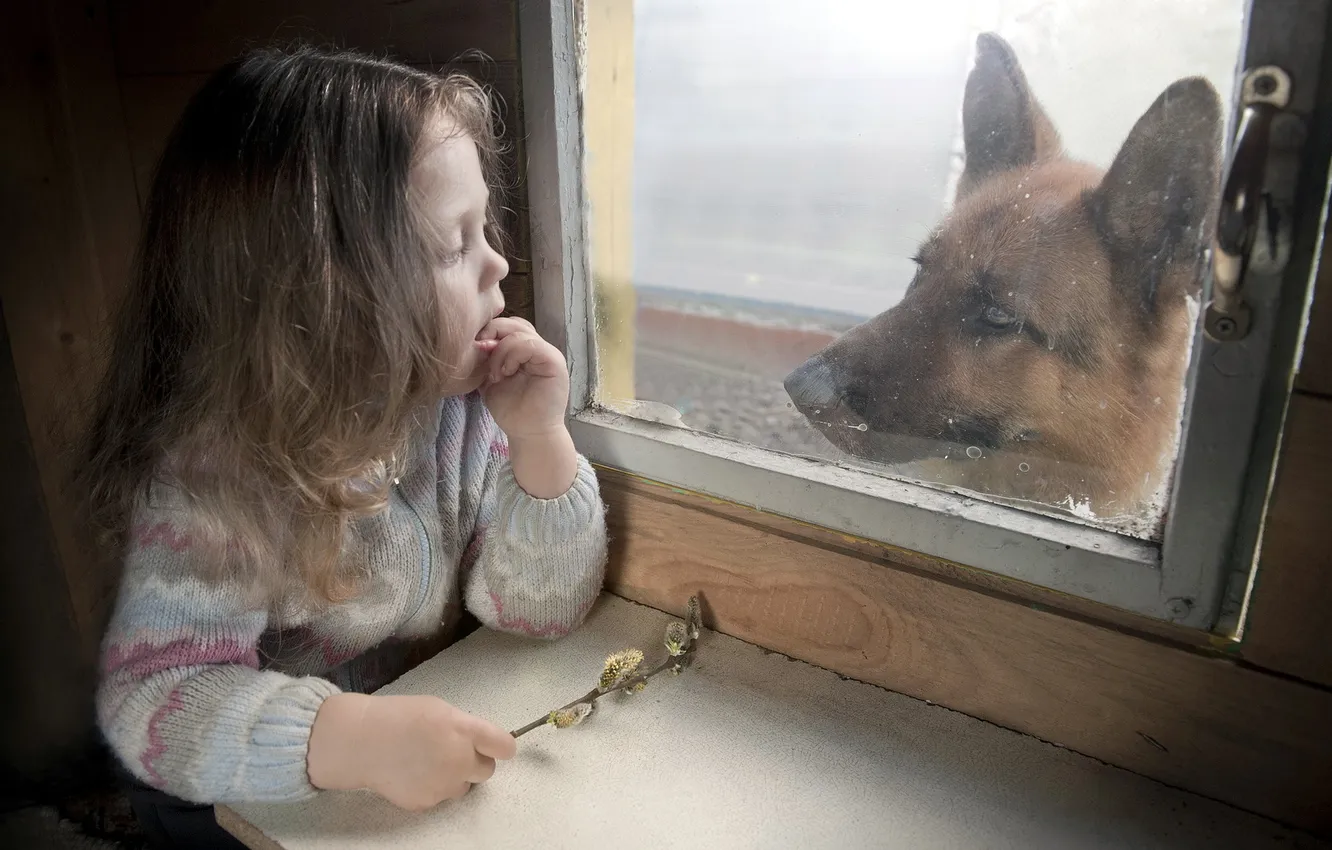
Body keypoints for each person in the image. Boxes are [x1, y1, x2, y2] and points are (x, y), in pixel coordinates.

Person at [79, 44, 607, 848]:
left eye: (485, 227)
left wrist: (540, 441)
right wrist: (348, 740)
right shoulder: (222, 473)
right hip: (230, 793)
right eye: (454, 245)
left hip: (384, 764)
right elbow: (151, 697)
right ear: (327, 294)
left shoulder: (461, 412)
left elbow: (536, 612)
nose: (501, 261)